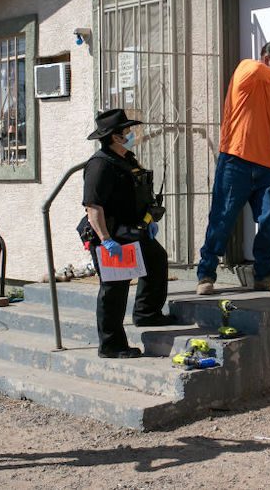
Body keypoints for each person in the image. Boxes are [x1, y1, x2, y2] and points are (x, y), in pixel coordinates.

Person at [196, 40, 270, 295]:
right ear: (265, 57)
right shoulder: (247, 69)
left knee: (269, 221)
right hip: (235, 160)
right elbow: (268, 76)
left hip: (266, 166)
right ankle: (206, 275)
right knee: (222, 219)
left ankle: (263, 274)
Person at [82, 108, 174, 359]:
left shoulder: (127, 159)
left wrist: (149, 218)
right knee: (115, 288)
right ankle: (111, 344)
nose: (131, 134)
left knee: (156, 260)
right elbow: (93, 207)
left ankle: (147, 314)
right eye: (126, 131)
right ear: (115, 136)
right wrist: (106, 240)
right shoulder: (100, 165)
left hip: (135, 229)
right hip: (113, 235)